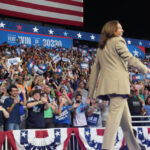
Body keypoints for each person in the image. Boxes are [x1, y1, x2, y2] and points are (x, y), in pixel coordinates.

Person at [88, 20, 150, 150]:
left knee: (126, 123)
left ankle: (134, 148)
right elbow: (129, 58)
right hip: (118, 87)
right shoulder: (118, 41)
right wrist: (145, 69)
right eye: (120, 28)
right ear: (113, 30)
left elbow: (94, 71)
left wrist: (90, 94)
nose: (122, 30)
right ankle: (107, 148)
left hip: (110, 87)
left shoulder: (101, 48)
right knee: (113, 120)